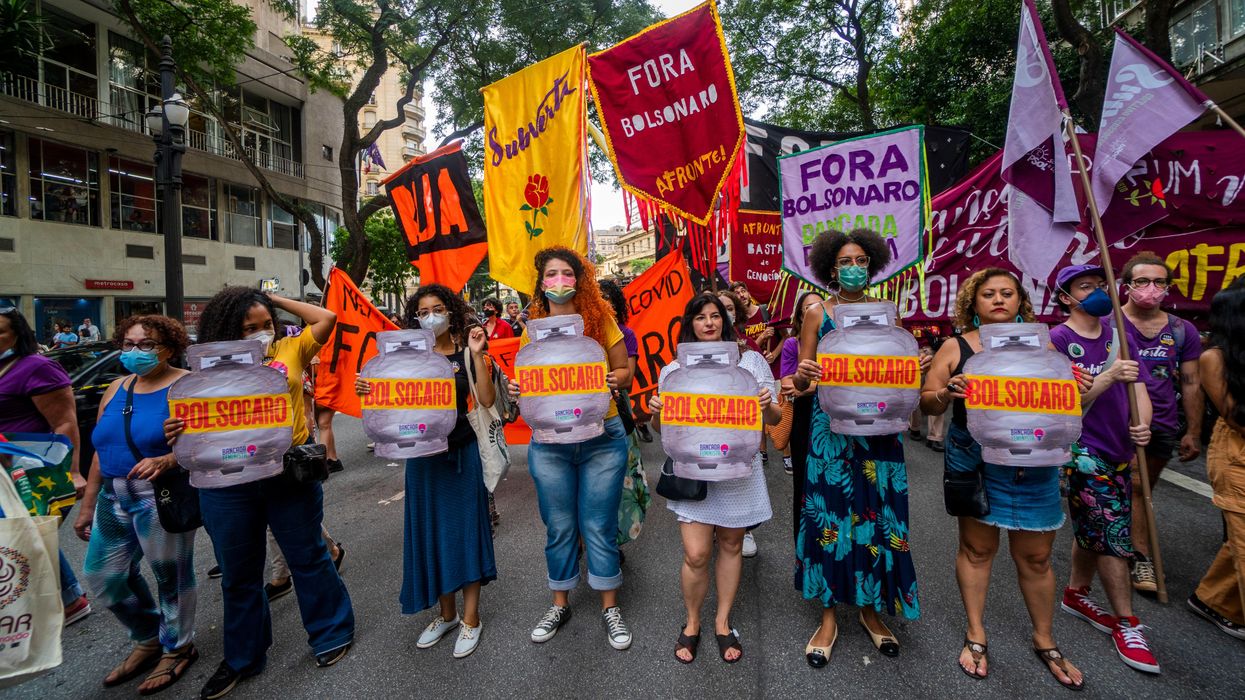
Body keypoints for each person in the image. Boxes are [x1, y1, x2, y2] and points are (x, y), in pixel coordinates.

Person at [165, 287, 354, 699]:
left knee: (308, 558)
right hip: (228, 485)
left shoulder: (289, 348)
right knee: (238, 574)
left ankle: (331, 632)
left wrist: (273, 300)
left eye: (266, 324)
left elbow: (326, 318)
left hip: (288, 476)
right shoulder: (203, 370)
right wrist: (176, 431)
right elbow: (192, 423)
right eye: (250, 328)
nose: (261, 333)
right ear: (226, 330)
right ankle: (243, 657)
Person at [921, 269, 1083, 689]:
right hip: (975, 464)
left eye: (1006, 293)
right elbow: (928, 403)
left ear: (1020, 301)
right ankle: (976, 632)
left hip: (1035, 466)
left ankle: (1045, 638)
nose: (998, 299)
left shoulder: (1046, 349)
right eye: (988, 293)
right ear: (973, 303)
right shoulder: (956, 347)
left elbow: (1065, 408)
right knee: (977, 550)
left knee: (1037, 557)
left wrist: (1077, 387)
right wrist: (946, 393)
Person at [792, 229, 920, 667]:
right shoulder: (817, 313)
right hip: (830, 435)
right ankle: (828, 616)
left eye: (861, 260)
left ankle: (870, 608)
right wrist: (806, 374)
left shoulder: (889, 315)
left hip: (880, 435)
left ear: (872, 265)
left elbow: (900, 378)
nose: (854, 268)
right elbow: (801, 382)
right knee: (830, 519)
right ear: (831, 267)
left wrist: (915, 366)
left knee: (877, 518)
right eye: (845, 261)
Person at [355, 284, 497, 659]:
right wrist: (368, 387)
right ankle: (447, 614)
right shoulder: (404, 360)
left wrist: (478, 356)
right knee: (432, 534)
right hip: (421, 460)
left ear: (450, 312)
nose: (429, 316)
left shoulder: (466, 353)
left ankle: (471, 618)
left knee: (465, 533)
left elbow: (486, 399)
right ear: (413, 318)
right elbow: (388, 404)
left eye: (436, 309)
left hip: (461, 457)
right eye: (422, 312)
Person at [506, 247, 633, 650]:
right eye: (551, 274)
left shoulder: (600, 320)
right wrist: (517, 388)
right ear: (541, 283)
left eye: (566, 273)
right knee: (559, 525)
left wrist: (615, 379)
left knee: (598, 525)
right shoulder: (531, 331)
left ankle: (610, 607)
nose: (559, 280)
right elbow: (526, 381)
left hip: (602, 438)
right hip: (550, 442)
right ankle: (559, 603)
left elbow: (626, 371)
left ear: (579, 280)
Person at [649, 293, 780, 664]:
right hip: (695, 474)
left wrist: (765, 405)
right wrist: (656, 412)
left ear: (725, 320)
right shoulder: (674, 370)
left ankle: (722, 622)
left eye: (715, 316)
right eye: (700, 317)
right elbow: (662, 430)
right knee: (696, 554)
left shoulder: (750, 362)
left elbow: (773, 419)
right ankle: (692, 622)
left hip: (738, 473)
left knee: (731, 546)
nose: (709, 323)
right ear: (689, 324)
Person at [74, 315, 198, 694]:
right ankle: (147, 635)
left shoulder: (187, 386)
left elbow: (208, 443)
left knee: (170, 578)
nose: (135, 352)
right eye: (128, 344)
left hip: (158, 495)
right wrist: (87, 505)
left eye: (146, 345)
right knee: (103, 576)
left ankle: (177, 647)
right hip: (113, 495)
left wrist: (169, 459)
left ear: (169, 348)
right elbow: (101, 448)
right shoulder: (116, 387)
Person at [1050, 264, 1159, 675]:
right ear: (1066, 297)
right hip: (1082, 450)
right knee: (1113, 533)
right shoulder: (1058, 340)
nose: (1097, 291)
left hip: (1119, 448)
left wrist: (1142, 425)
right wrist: (1108, 376)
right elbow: (1064, 402)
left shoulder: (1119, 336)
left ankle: (1076, 592)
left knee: (1095, 526)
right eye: (1086, 286)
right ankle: (1126, 622)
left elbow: (1139, 387)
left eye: (1101, 284)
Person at [1118, 252, 1204, 594]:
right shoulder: (1108, 323)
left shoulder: (1182, 330)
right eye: (1142, 281)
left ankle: (1124, 541)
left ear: (1168, 287)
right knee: (1135, 486)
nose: (1150, 288)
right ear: (1127, 285)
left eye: (1158, 282)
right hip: (1115, 423)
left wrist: (1193, 431)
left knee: (1143, 489)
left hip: (1163, 423)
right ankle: (1141, 558)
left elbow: (1191, 382)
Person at [0, 307, 91, 625]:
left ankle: (69, 599)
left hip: (29, 470)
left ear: (17, 336)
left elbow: (65, 423)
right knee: (22, 534)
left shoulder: (36, 367)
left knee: (25, 533)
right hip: (3, 474)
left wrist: (73, 472)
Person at [1189, 276, 1245, 640]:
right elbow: (1238, 418)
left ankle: (1215, 601)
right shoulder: (1214, 358)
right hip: (1236, 456)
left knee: (1238, 540)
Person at [599, 280, 650, 553]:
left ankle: (613, 542)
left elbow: (627, 379)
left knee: (618, 479)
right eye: (598, 297)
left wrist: (600, 379)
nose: (603, 302)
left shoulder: (625, 334)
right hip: (583, 416)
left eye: (608, 297)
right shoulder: (581, 333)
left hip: (615, 410)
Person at [780, 290, 823, 537]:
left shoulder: (838, 344)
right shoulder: (791, 344)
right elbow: (788, 384)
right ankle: (804, 542)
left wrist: (808, 387)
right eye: (808, 307)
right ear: (799, 316)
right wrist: (828, 384)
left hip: (834, 417)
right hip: (805, 417)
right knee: (804, 482)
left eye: (819, 305)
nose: (814, 310)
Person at [925, 338, 947, 452]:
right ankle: (914, 427)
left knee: (937, 393)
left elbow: (947, 335)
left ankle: (935, 436)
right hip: (915, 353)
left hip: (938, 353)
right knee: (915, 394)